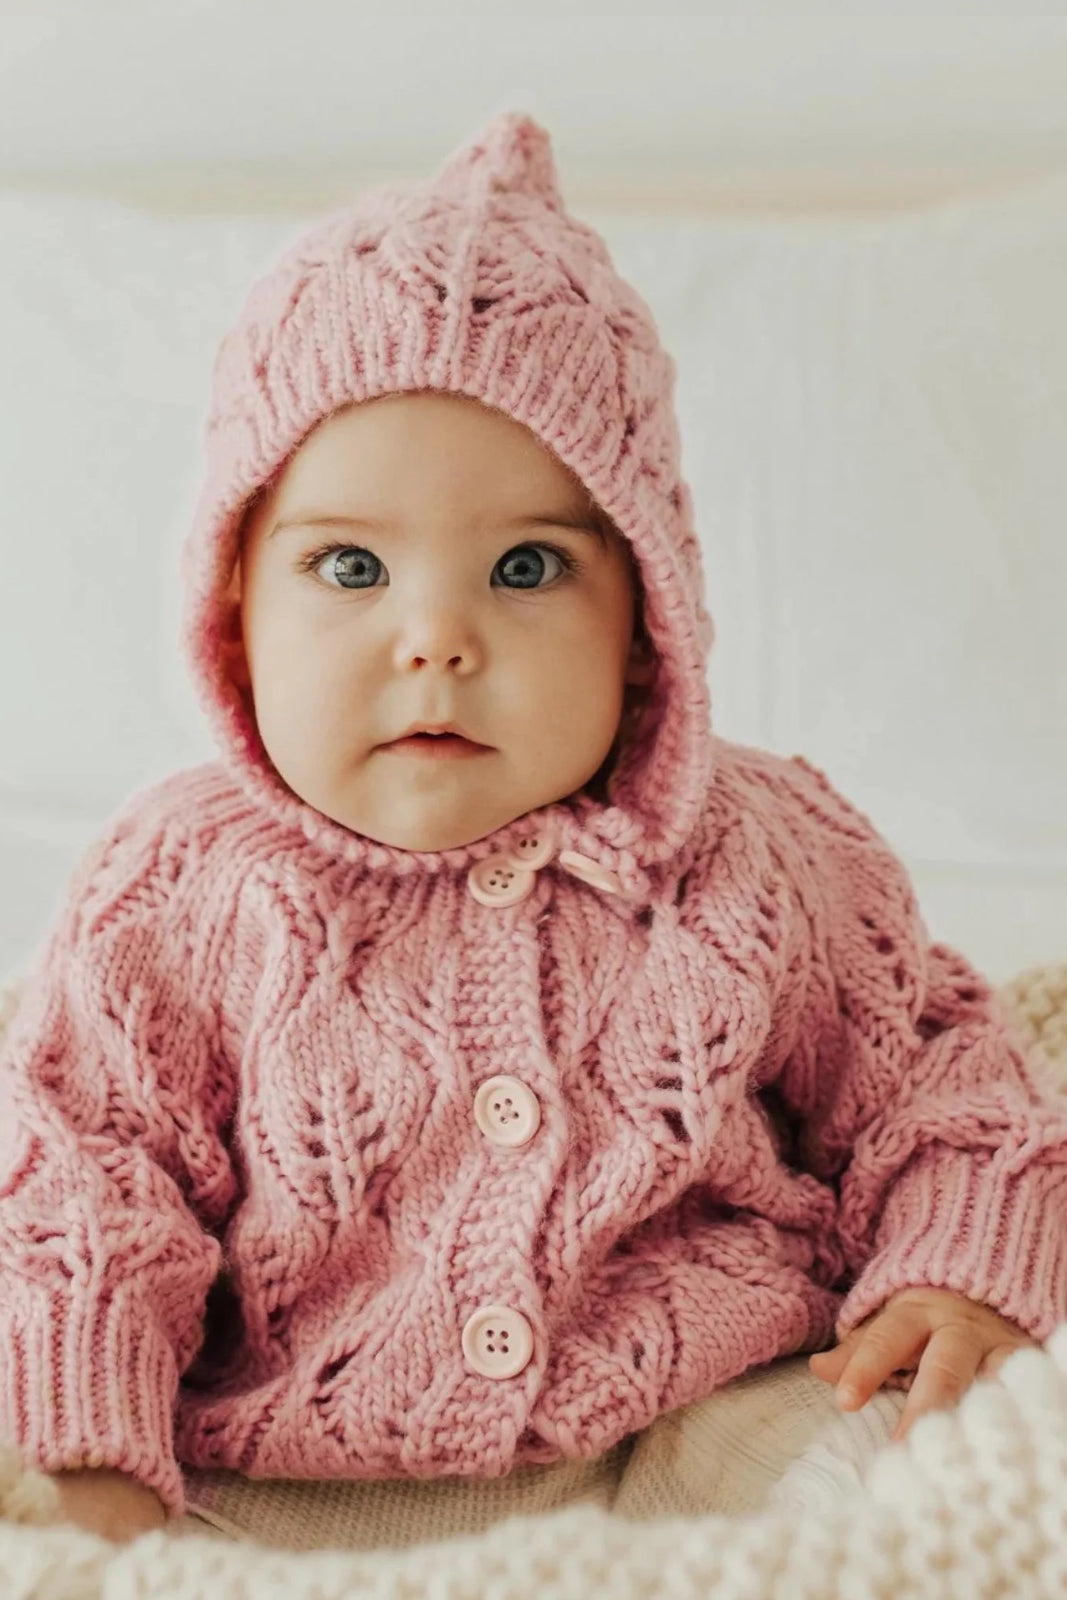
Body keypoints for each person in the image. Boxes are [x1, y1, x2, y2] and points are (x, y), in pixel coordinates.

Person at [0, 110, 1062, 1552]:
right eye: (352, 566)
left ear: (644, 621)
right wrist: (87, 1461)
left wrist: (959, 1269)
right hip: (279, 1463)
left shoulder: (765, 853)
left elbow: (946, 1084)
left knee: (950, 1491)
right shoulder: (178, 886)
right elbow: (79, 1187)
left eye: (526, 566)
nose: (435, 639)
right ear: (239, 605)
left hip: (717, 1414)